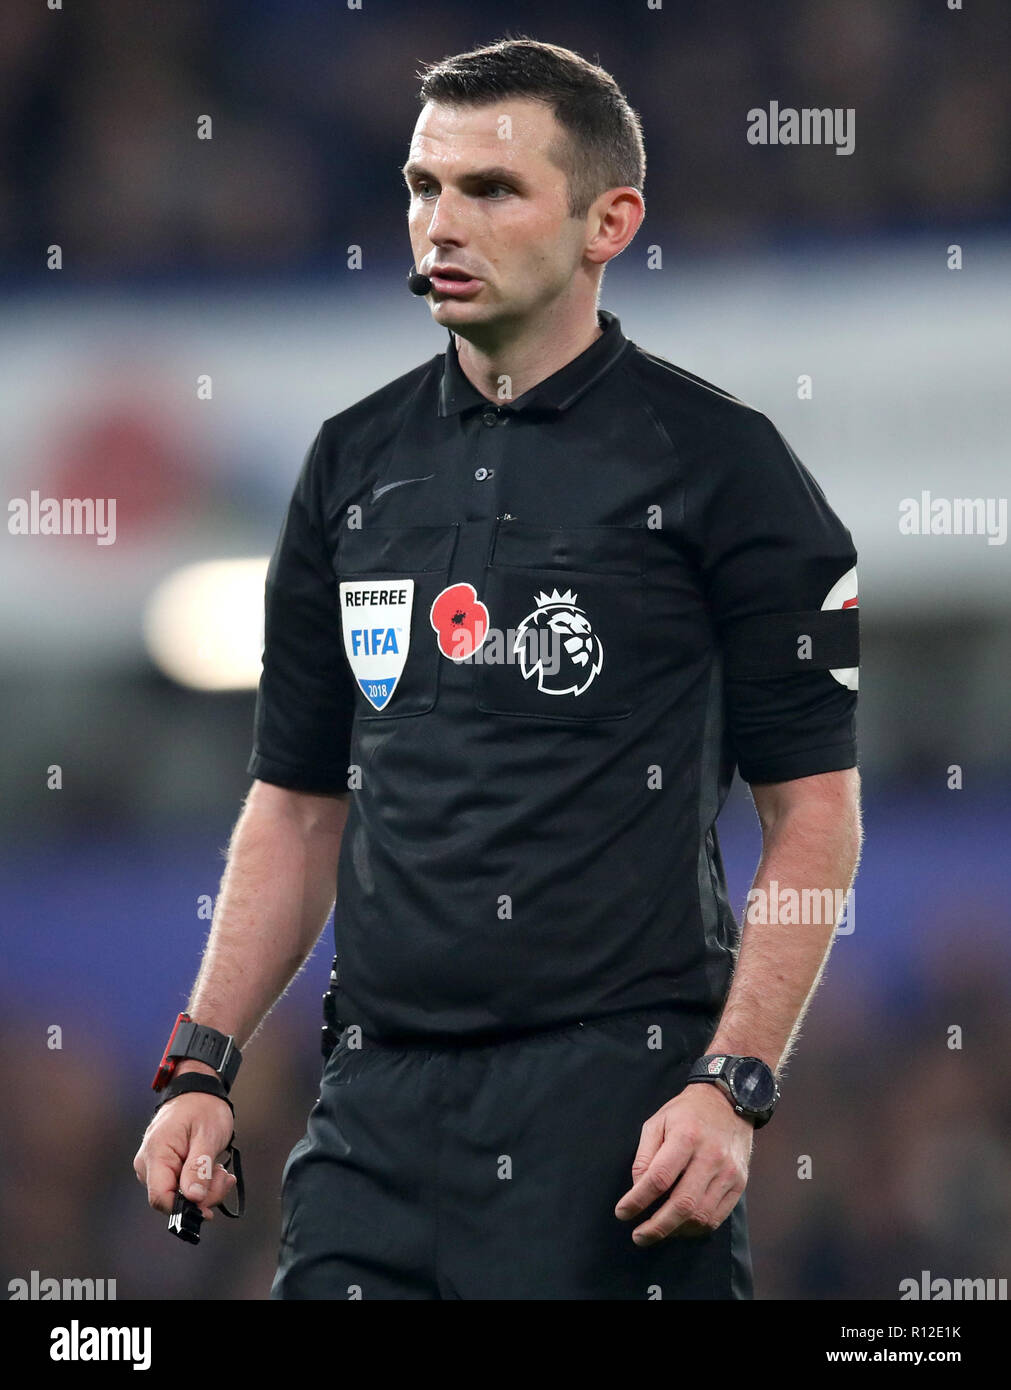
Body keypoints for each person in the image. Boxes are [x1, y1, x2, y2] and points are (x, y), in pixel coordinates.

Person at [134, 37, 862, 1300]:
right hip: (374, 1112)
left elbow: (815, 823)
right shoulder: (350, 466)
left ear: (607, 221)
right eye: (423, 187)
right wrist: (203, 1065)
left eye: (491, 190)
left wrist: (734, 1084)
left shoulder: (728, 470)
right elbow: (298, 807)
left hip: (624, 1116)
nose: (440, 224)